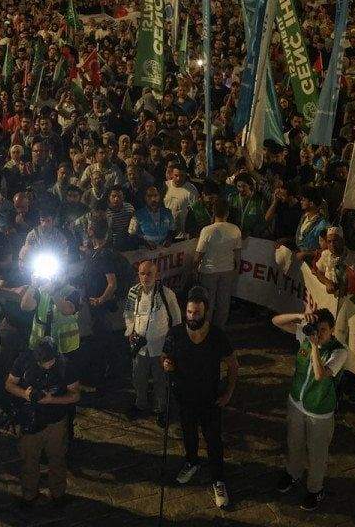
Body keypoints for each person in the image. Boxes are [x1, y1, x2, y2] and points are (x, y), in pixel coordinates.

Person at [161, 288, 238, 511]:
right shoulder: (175, 334)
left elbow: (233, 364)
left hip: (210, 399)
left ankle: (218, 479)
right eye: (189, 312)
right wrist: (166, 364)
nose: (192, 317)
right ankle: (192, 462)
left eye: (197, 313)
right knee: (189, 434)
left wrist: (228, 392)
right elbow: (165, 356)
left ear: (205, 313)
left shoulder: (217, 336)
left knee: (213, 440)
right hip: (184, 397)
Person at [271, 308, 349, 511]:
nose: (319, 333)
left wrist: (314, 346)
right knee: (294, 443)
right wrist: (299, 317)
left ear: (332, 330)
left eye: (324, 330)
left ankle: (315, 489)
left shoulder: (339, 351)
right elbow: (276, 321)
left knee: (317, 453)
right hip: (297, 402)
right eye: (317, 329)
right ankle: (293, 473)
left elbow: (319, 375)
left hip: (319, 412)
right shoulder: (306, 335)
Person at [5, 337, 80, 509]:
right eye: (42, 363)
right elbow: (9, 384)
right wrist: (24, 394)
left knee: (57, 458)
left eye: (50, 362)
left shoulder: (65, 365)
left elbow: (75, 395)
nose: (47, 366)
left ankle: (58, 494)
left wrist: (52, 400)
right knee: (29, 460)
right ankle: (29, 496)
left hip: (56, 421)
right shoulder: (24, 360)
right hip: (30, 420)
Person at [123, 258, 181, 425]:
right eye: (142, 274)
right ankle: (140, 404)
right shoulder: (133, 292)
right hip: (139, 346)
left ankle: (162, 409)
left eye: (149, 274)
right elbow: (128, 314)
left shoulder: (167, 294)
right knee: (138, 377)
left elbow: (176, 320)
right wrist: (130, 331)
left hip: (160, 346)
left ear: (157, 275)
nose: (145, 277)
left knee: (160, 379)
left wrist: (172, 345)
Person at [193, 199, 242, 329]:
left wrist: (193, 269)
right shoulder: (235, 229)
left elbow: (199, 253)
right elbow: (237, 253)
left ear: (213, 212)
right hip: (227, 270)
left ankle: (205, 328)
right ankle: (219, 329)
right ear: (227, 213)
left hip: (209, 271)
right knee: (224, 301)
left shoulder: (207, 230)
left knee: (208, 302)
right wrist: (236, 269)